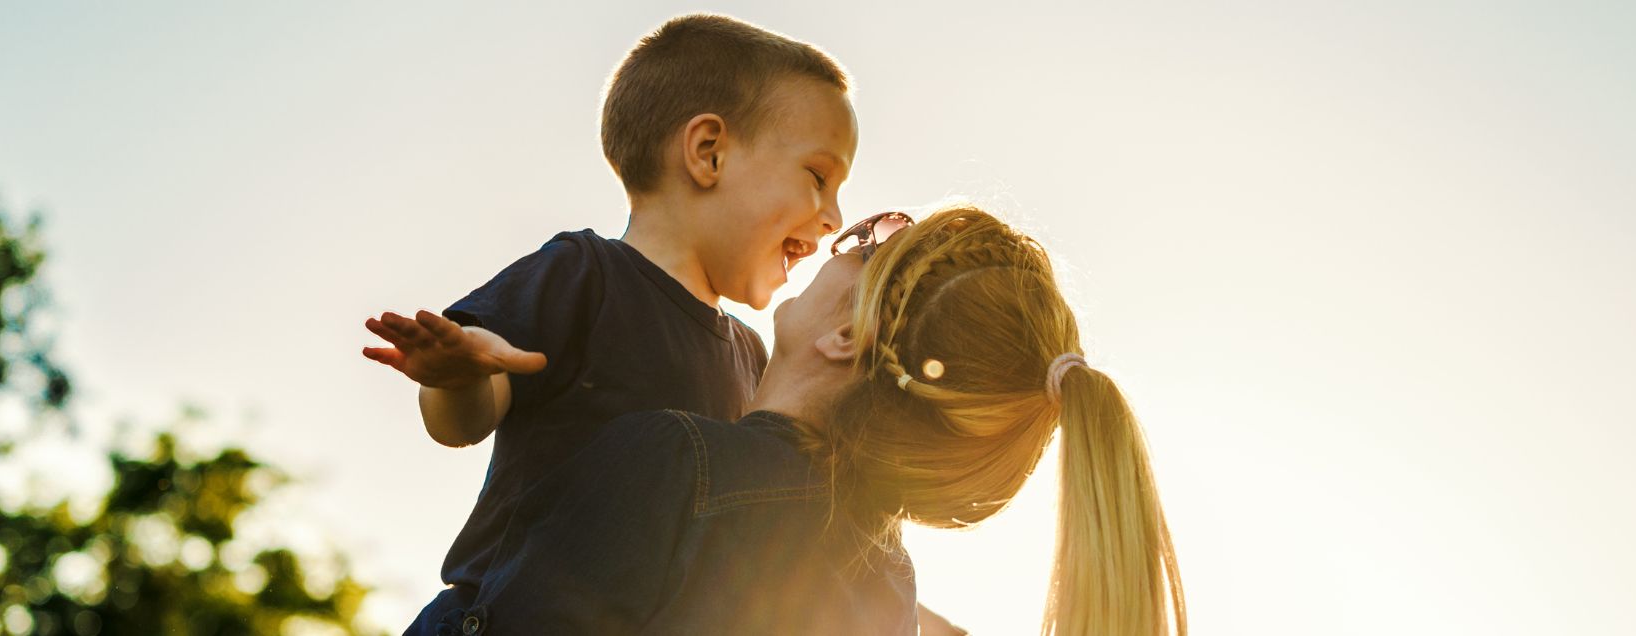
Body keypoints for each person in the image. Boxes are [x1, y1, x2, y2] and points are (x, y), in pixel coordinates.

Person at [411, 205, 1187, 634]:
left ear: (847, 336)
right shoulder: (888, 586)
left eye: (859, 247)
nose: (829, 244)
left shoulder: (672, 464)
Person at [356, 14, 858, 629]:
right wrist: (457, 377)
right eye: (818, 176)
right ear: (709, 153)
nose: (834, 216)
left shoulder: (753, 355)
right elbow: (469, 417)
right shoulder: (584, 275)